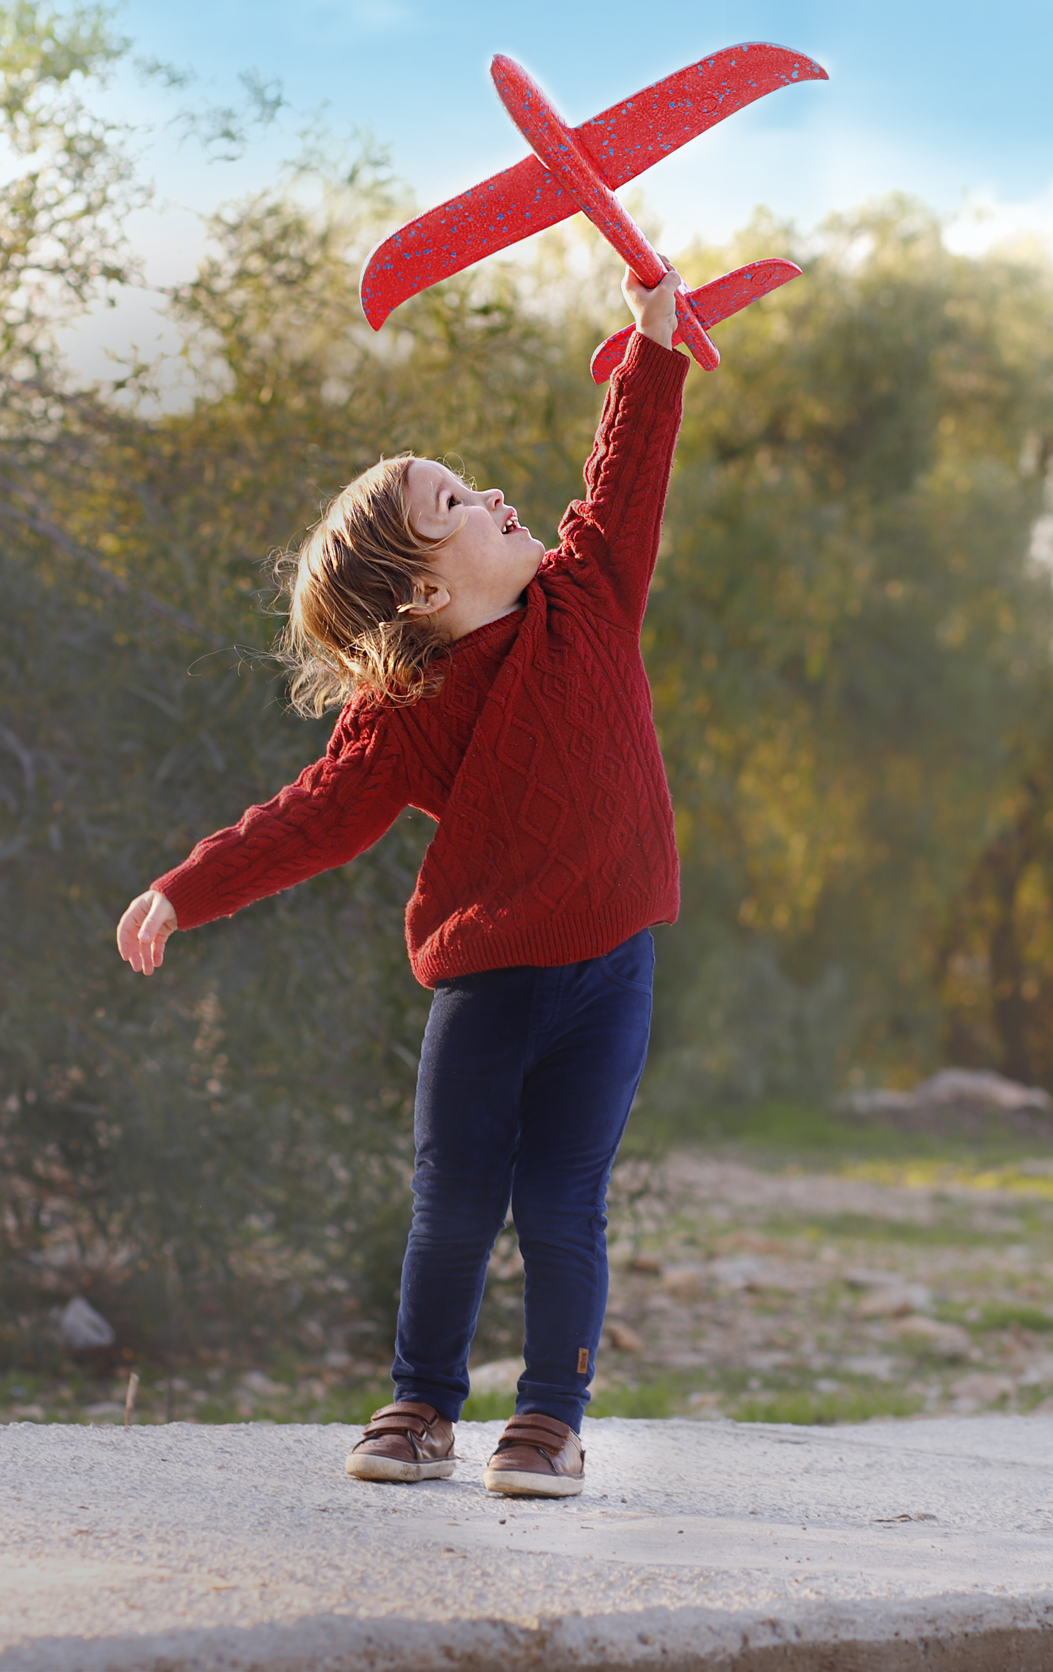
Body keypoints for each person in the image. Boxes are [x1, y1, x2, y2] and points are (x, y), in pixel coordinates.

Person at [114, 263, 695, 1500]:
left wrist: (655, 344)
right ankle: (422, 1404)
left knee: (562, 1205)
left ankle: (549, 1421)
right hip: (486, 986)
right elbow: (311, 819)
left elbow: (628, 467)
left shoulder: (591, 592)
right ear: (431, 593)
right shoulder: (407, 711)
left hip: (609, 975)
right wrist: (186, 887)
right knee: (453, 1203)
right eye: (459, 503)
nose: (495, 493)